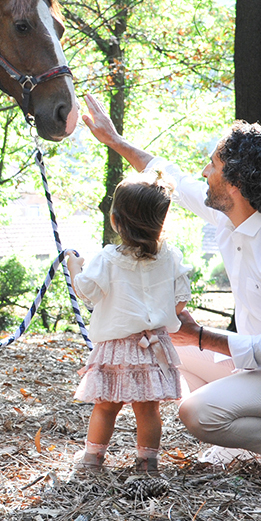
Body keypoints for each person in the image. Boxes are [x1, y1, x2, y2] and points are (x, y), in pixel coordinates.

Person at [81, 93, 261, 480]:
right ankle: (246, 419)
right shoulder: (232, 212)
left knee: (197, 414)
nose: (204, 172)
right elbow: (169, 175)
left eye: (212, 165)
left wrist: (202, 336)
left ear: (236, 183)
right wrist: (115, 141)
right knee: (164, 356)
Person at [66, 173, 192, 474]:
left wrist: (73, 268)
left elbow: (88, 293)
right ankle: (147, 462)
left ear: (115, 220)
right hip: (152, 344)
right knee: (148, 409)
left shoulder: (107, 258)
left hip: (116, 347)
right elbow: (181, 300)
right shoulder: (171, 257)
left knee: (106, 404)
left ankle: (92, 460)